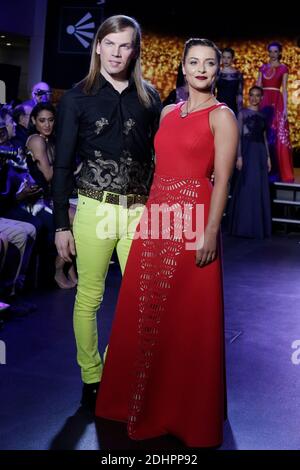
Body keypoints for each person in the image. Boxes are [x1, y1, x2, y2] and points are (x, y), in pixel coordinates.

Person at [95, 38, 239, 448]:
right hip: (158, 219)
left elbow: (223, 180)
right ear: (183, 66)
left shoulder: (221, 116)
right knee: (144, 310)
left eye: (209, 63)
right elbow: (159, 167)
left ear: (217, 70)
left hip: (195, 219)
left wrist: (211, 232)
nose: (201, 69)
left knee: (186, 318)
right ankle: (133, 402)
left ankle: (183, 412)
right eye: (194, 62)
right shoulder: (167, 112)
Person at [52, 15, 161, 408]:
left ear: (135, 50)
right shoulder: (77, 97)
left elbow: (156, 158)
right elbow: (62, 165)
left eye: (125, 45)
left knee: (142, 299)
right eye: (110, 44)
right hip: (93, 210)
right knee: (89, 298)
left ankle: (115, 367)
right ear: (97, 46)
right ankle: (92, 376)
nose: (117, 52)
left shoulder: (149, 97)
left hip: (139, 212)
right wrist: (60, 225)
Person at [26, 102, 76, 289]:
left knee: (86, 217)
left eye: (51, 120)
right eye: (42, 120)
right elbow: (48, 175)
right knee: (78, 219)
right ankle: (59, 268)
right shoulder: (36, 140)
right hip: (35, 202)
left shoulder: (49, 140)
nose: (47, 125)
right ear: (33, 121)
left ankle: (67, 266)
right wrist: (68, 165)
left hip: (50, 198)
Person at [229, 86, 272, 239]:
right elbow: (238, 137)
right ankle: (243, 226)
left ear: (261, 98)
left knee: (258, 187)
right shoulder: (242, 113)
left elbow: (265, 138)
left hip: (260, 153)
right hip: (247, 152)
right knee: (246, 185)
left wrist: (268, 157)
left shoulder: (262, 116)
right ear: (249, 96)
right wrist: (239, 156)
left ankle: (257, 227)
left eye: (257, 95)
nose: (254, 98)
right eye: (252, 95)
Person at [257, 41, 294, 182]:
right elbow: (258, 86)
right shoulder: (263, 68)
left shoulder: (283, 68)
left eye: (275, 51)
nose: (273, 54)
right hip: (263, 101)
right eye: (270, 51)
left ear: (279, 53)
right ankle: (261, 169)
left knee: (275, 134)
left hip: (276, 102)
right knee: (262, 133)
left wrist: (285, 108)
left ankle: (278, 170)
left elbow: (284, 89)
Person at [215, 47, 243, 116]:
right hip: (219, 106)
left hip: (233, 107)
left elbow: (239, 95)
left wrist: (240, 111)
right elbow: (211, 92)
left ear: (232, 59)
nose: (226, 60)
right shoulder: (217, 74)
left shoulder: (238, 75)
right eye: (224, 57)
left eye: (228, 57)